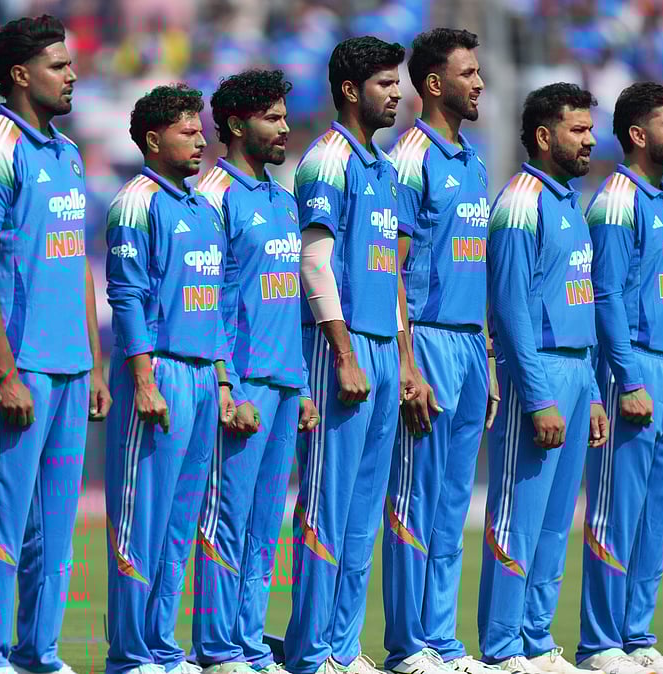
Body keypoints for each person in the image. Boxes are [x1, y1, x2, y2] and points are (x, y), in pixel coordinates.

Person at [0, 14, 111, 674]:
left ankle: (38, 653)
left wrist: (95, 363)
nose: (72, 74)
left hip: (72, 366)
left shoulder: (67, 152)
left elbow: (77, 262)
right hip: (21, 365)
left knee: (55, 532)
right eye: (59, 65)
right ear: (21, 75)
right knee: (3, 519)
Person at [102, 82, 237, 674]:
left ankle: (161, 647)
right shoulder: (137, 201)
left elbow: (219, 304)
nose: (201, 141)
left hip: (203, 375)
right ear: (154, 140)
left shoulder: (203, 206)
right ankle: (130, 654)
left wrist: (224, 381)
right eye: (188, 132)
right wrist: (143, 379)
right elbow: (127, 295)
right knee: (142, 520)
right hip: (159, 371)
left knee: (181, 525)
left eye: (201, 131)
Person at [191, 69, 321, 674]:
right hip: (242, 384)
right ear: (237, 125)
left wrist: (302, 383)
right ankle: (218, 649)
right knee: (226, 521)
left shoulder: (282, 198)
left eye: (285, 116)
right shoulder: (211, 195)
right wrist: (226, 383)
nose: (285, 128)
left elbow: (287, 300)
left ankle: (247, 644)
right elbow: (209, 301)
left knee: (265, 527)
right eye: (273, 118)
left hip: (285, 383)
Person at [285, 35, 408, 674]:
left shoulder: (383, 166)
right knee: (326, 506)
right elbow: (314, 262)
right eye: (385, 84)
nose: (397, 94)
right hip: (345, 348)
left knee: (363, 514)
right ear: (350, 91)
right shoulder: (326, 161)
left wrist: (403, 361)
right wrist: (343, 354)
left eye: (397, 82)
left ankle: (342, 647)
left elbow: (389, 270)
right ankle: (310, 653)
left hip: (382, 349)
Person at [576, 82, 663, 674]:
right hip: (633, 367)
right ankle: (600, 643)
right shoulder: (615, 202)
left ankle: (637, 638)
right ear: (638, 134)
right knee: (616, 511)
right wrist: (628, 379)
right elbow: (604, 295)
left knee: (657, 518)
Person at [478, 82, 609, 674]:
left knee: (556, 525)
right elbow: (510, 311)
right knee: (518, 518)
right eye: (577, 130)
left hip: (579, 372)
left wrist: (596, 392)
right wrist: (537, 397)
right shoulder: (519, 204)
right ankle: (503, 647)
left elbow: (578, 301)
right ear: (543, 136)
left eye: (590, 129)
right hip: (541, 374)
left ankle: (536, 640)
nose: (589, 140)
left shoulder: (570, 203)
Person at [381, 28, 499, 674]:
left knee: (453, 506)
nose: (479, 83)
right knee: (414, 502)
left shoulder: (474, 161)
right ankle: (408, 646)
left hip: (469, 346)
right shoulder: (410, 158)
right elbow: (391, 270)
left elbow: (474, 265)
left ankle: (443, 642)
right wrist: (405, 362)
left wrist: (487, 355)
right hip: (425, 340)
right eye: (468, 73)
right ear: (434, 84)